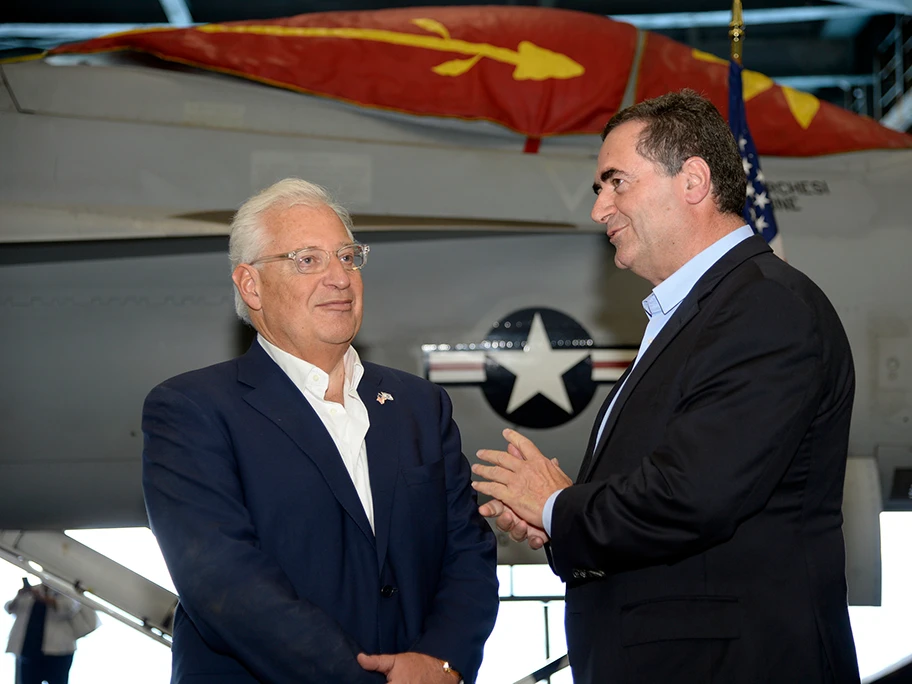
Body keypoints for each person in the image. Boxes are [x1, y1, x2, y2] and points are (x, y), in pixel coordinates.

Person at [472, 90, 860, 683]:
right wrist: (559, 521)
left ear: (694, 181)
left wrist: (556, 504)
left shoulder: (765, 307)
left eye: (616, 182)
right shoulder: (697, 314)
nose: (600, 209)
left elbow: (691, 496)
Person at [141, 178, 498, 684]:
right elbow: (224, 583)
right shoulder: (191, 409)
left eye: (348, 257)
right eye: (307, 259)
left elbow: (469, 553)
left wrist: (443, 662)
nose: (339, 278)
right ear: (251, 285)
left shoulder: (420, 405)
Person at [5, 581, 86, 684]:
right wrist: (19, 595)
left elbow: (69, 607)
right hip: (30, 649)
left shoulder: (65, 590)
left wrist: (43, 599)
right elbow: (9, 608)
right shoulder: (31, 591)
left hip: (59, 652)